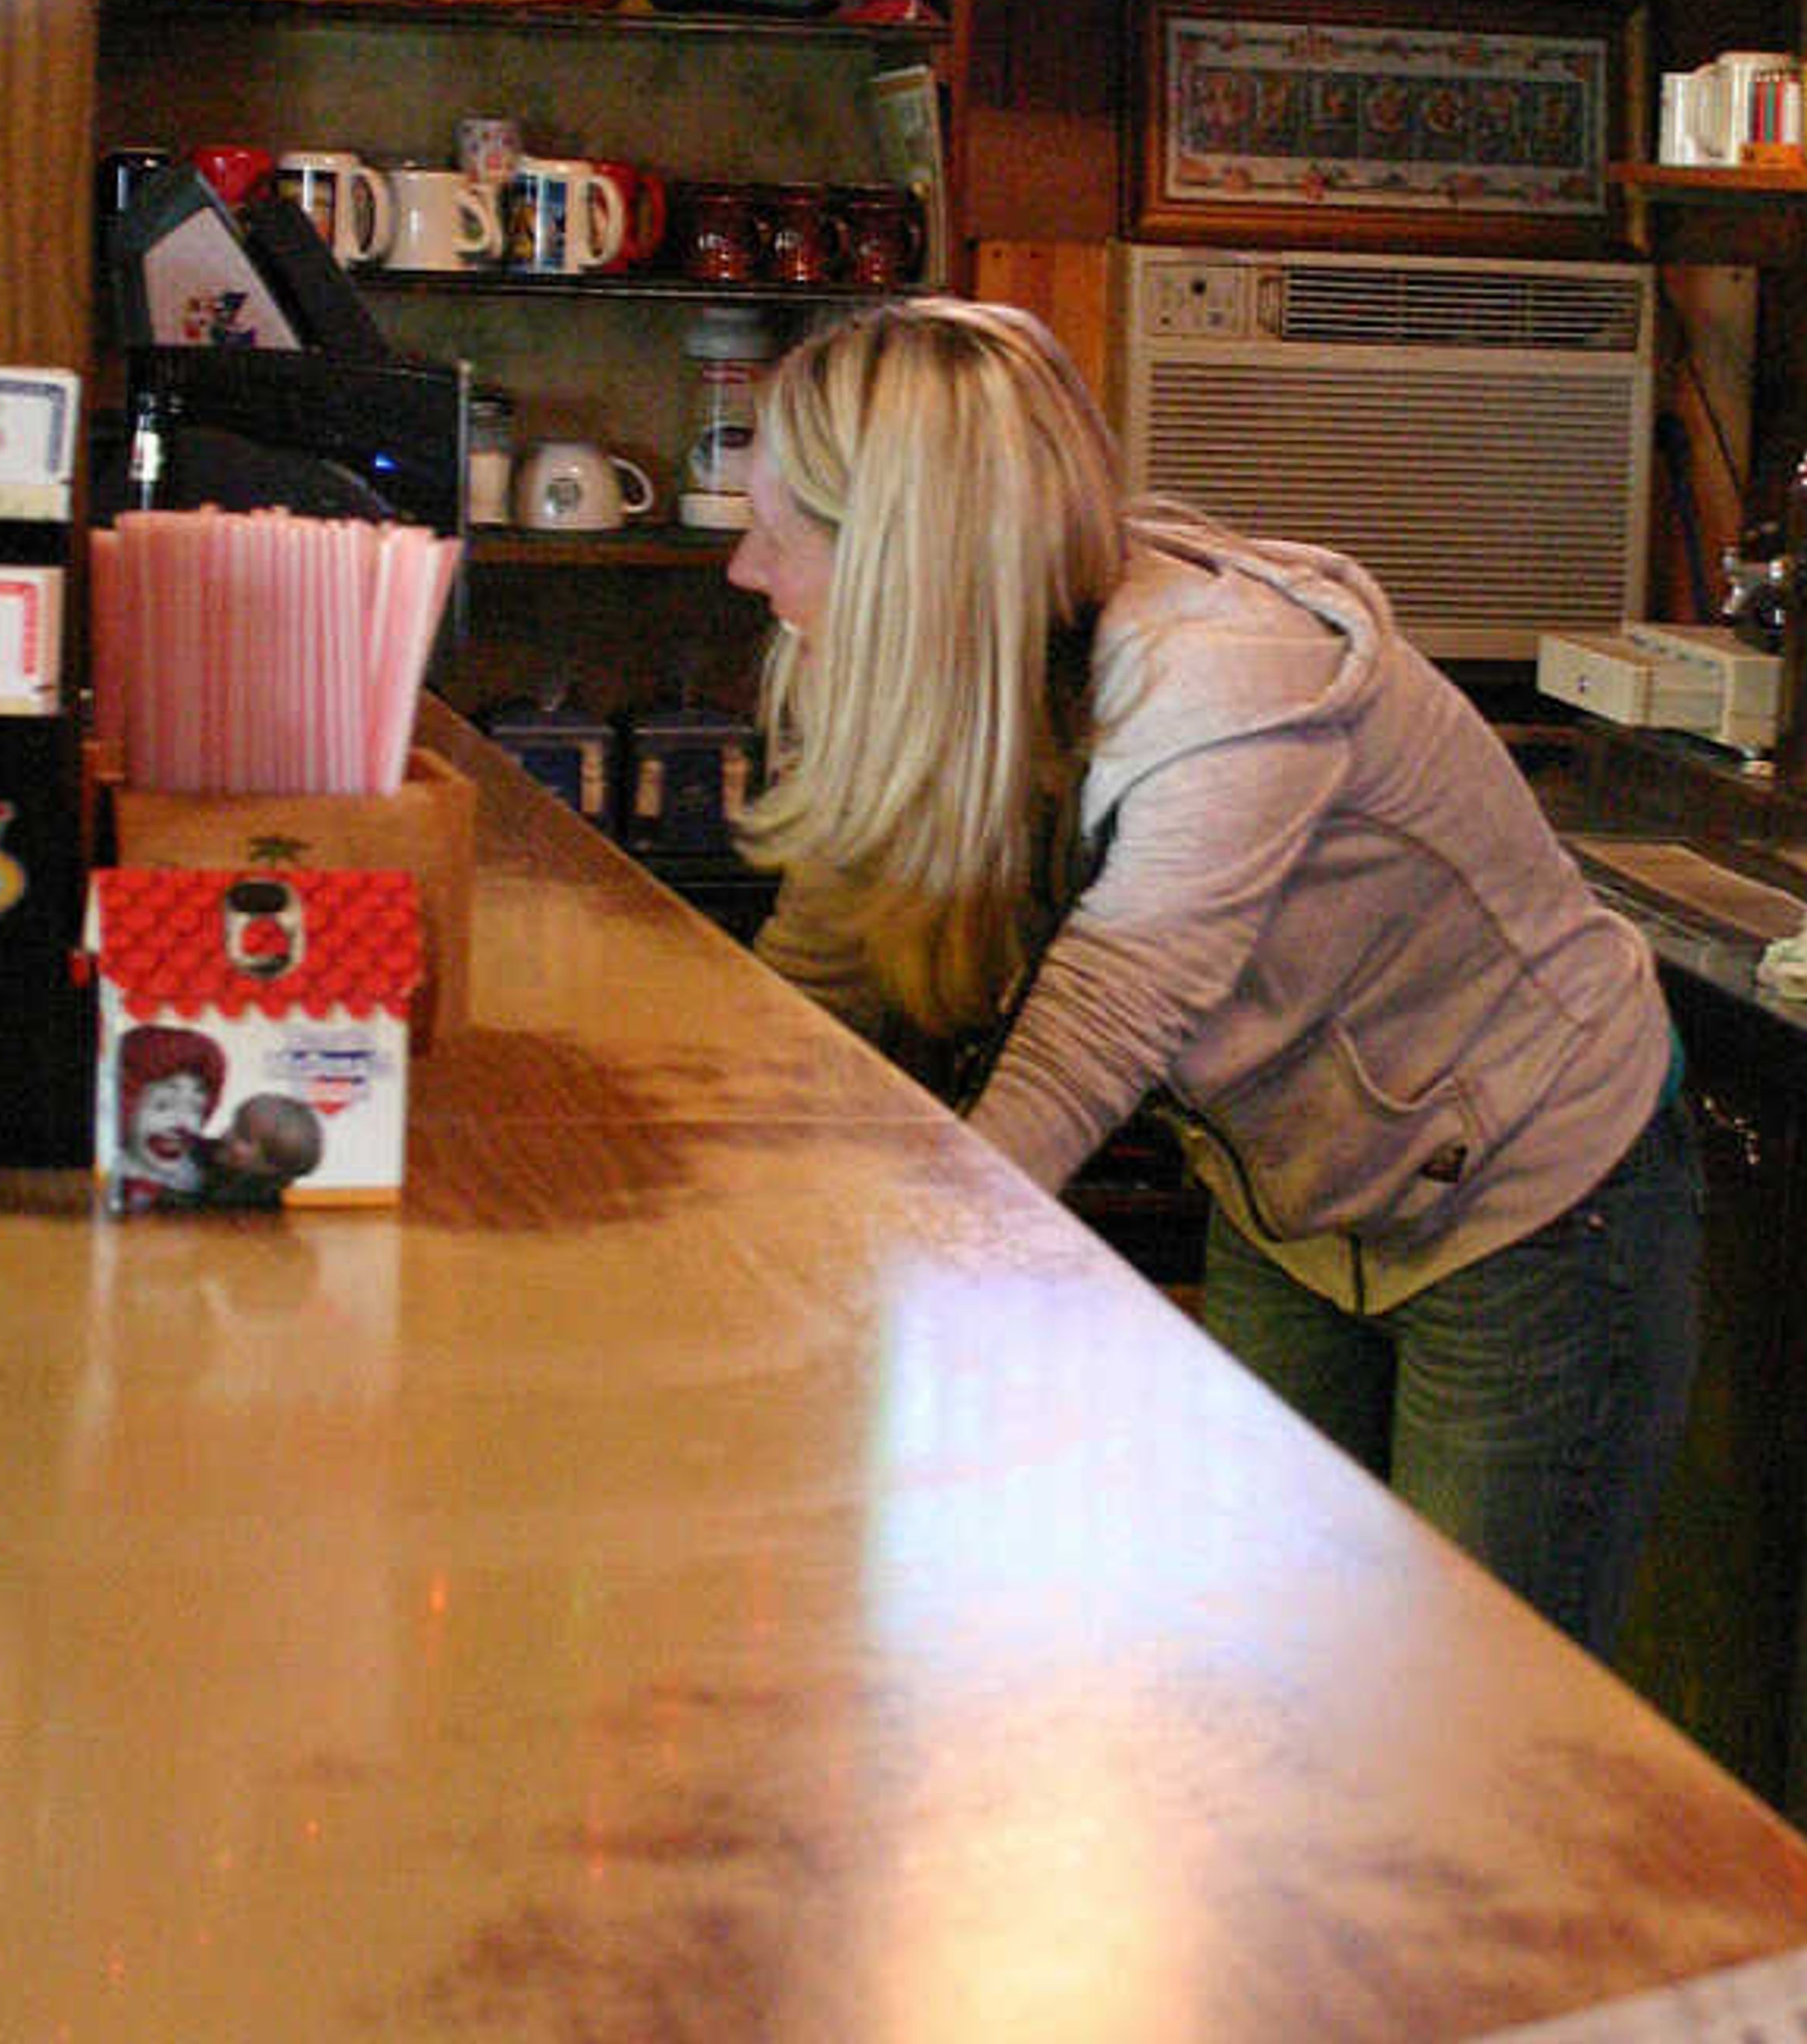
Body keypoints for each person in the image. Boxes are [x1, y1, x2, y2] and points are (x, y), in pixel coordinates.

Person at [725, 293, 1701, 1654]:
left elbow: (1102, 1021)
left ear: (904, 558)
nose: (744, 569)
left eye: (777, 532)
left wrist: (875, 1268)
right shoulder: (931, 657)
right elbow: (825, 955)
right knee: (1269, 1655)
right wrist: (714, 1168)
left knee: (1471, 1699)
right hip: (1298, 1192)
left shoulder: (1221, 688)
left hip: (1534, 1195)